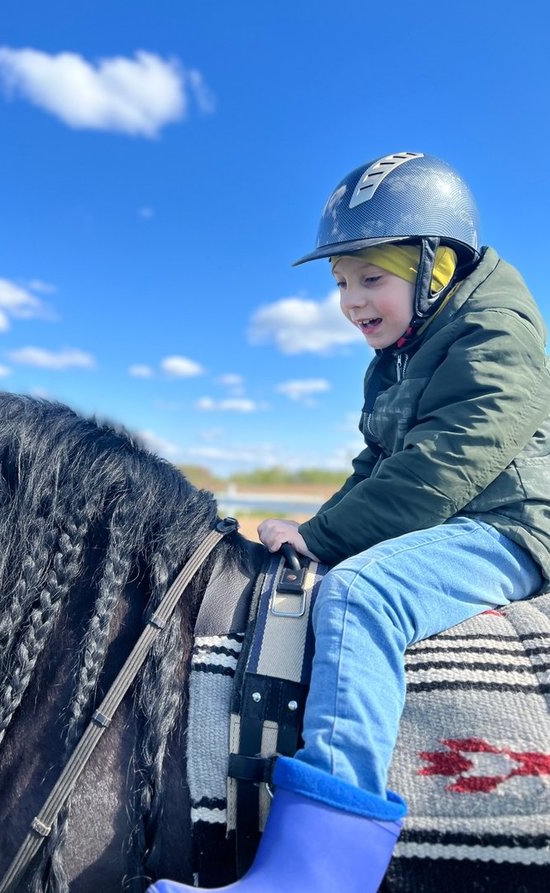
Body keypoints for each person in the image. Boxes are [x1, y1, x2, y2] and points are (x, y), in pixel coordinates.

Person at [148, 151, 550, 892]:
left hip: (508, 522)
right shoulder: (396, 356)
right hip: (454, 513)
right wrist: (311, 530)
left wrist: (332, 541)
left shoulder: (497, 329)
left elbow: (448, 462)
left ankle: (319, 870)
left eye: (372, 277)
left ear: (435, 267)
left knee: (362, 592)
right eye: (340, 283)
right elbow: (376, 462)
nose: (350, 300)